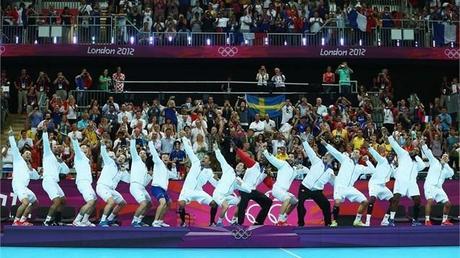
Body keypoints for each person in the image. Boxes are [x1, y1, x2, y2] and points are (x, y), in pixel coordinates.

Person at [321, 139, 371, 227]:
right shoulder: (345, 159)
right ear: (351, 154)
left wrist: (367, 161)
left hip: (350, 188)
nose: (355, 153)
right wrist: (326, 144)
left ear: (359, 156)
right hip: (339, 186)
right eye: (354, 152)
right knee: (337, 202)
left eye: (357, 152)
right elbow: (335, 152)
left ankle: (357, 221)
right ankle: (334, 221)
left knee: (365, 201)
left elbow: (372, 170)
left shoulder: (360, 167)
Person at [178, 131, 218, 227]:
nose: (204, 159)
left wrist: (218, 180)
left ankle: (212, 222)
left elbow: (216, 185)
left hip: (199, 192)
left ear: (210, 162)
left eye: (206, 158)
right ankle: (183, 223)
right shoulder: (196, 162)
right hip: (187, 190)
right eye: (204, 157)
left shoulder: (210, 172)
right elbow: (189, 150)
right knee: (181, 204)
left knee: (214, 204)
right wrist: (183, 137)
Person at [388, 134, 426, 226]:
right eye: (414, 150)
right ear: (410, 149)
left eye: (417, 151)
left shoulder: (417, 162)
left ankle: (415, 220)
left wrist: (416, 156)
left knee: (417, 200)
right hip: (401, 180)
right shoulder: (403, 154)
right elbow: (394, 144)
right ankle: (391, 219)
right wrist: (389, 136)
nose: (415, 151)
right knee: (396, 199)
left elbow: (423, 166)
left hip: (412, 183)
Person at [298, 136, 334, 227]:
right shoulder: (317, 161)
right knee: (300, 205)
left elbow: (334, 184)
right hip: (305, 187)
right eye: (325, 155)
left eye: (328, 156)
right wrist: (304, 142)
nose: (326, 156)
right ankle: (301, 224)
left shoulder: (331, 171)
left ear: (332, 159)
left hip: (317, 191)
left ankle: (328, 224)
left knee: (326, 204)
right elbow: (310, 152)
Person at [212, 144, 251, 226]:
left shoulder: (239, 180)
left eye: (241, 166)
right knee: (225, 206)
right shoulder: (228, 169)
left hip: (227, 196)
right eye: (238, 164)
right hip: (218, 194)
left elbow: (248, 190)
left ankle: (233, 220)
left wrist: (240, 183)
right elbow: (221, 159)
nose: (239, 166)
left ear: (243, 171)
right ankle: (219, 223)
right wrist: (216, 150)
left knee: (241, 202)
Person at [9, 128, 40, 226]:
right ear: (22, 155)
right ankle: (16, 221)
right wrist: (11, 136)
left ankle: (22, 220)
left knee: (35, 203)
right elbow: (14, 147)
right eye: (26, 153)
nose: (28, 154)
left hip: (24, 187)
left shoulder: (29, 167)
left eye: (29, 154)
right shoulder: (18, 159)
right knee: (25, 202)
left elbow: (36, 177)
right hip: (18, 185)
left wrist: (31, 168)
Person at [234, 148, 273, 225]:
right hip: (244, 188)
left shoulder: (265, 171)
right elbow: (244, 157)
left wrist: (269, 175)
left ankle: (258, 222)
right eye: (261, 157)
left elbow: (270, 185)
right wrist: (236, 148)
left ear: (268, 161)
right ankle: (239, 224)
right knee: (243, 206)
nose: (261, 158)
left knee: (268, 202)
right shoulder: (253, 164)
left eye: (264, 158)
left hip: (253, 191)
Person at [261, 146, 299, 226]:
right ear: (287, 158)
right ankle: (279, 221)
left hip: (284, 191)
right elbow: (272, 160)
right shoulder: (283, 164)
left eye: (293, 157)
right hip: (277, 189)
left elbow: (304, 170)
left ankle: (284, 218)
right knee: (287, 199)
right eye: (290, 157)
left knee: (295, 201)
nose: (291, 158)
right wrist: (265, 151)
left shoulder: (294, 169)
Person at [421, 140, 454, 226]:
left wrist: (445, 164)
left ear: (448, 160)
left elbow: (452, 173)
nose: (444, 158)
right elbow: (428, 153)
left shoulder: (446, 170)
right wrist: (424, 145)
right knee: (430, 201)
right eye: (443, 156)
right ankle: (427, 220)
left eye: (446, 157)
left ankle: (444, 221)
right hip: (430, 185)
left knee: (448, 204)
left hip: (439, 188)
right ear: (441, 157)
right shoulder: (434, 162)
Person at [97, 140, 129, 227]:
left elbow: (129, 180)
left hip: (111, 190)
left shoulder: (122, 171)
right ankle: (102, 221)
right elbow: (103, 153)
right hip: (102, 186)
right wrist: (103, 146)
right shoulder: (110, 162)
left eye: (123, 159)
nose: (121, 159)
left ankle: (110, 219)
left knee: (122, 203)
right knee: (111, 202)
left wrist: (125, 171)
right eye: (120, 157)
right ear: (117, 157)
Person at [41, 130, 70, 226]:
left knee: (63, 200)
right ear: (51, 148)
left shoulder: (59, 161)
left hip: (55, 182)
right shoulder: (47, 154)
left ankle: (57, 221)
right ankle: (47, 221)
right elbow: (45, 142)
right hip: (48, 180)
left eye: (58, 148)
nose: (57, 148)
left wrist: (61, 161)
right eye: (55, 147)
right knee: (57, 201)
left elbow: (66, 171)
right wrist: (45, 132)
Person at [365, 140, 397, 226]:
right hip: (374, 184)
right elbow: (375, 154)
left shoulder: (392, 167)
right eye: (389, 154)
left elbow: (396, 175)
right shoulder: (382, 160)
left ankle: (385, 220)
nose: (391, 156)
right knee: (372, 199)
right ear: (387, 156)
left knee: (393, 200)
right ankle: (367, 221)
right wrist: (369, 147)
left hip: (383, 186)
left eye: (392, 155)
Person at [148, 139, 178, 227]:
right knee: (163, 202)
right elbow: (153, 152)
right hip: (156, 187)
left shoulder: (167, 170)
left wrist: (173, 167)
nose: (165, 158)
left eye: (167, 157)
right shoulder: (158, 163)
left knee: (169, 203)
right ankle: (155, 221)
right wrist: (150, 142)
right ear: (161, 158)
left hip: (163, 190)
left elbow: (175, 176)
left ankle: (160, 221)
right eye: (163, 156)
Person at [70, 134, 97, 227]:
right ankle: (77, 220)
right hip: (83, 182)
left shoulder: (86, 159)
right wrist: (74, 140)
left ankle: (85, 220)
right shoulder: (79, 155)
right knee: (90, 201)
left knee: (94, 201)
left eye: (86, 147)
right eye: (83, 147)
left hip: (87, 182)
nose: (85, 148)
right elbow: (77, 149)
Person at [129, 131, 152, 227]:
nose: (142, 154)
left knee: (149, 203)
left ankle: (139, 220)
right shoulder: (136, 160)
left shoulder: (145, 168)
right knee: (143, 203)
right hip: (135, 186)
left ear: (146, 156)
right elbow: (133, 150)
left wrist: (150, 176)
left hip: (142, 187)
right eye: (140, 153)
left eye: (143, 153)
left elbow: (145, 183)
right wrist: (133, 140)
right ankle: (134, 221)